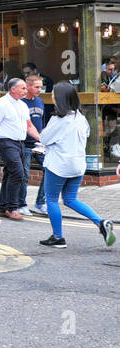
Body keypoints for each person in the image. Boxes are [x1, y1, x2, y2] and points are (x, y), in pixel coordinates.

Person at [37, 82, 116, 248]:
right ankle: (101, 222)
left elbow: (43, 139)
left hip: (58, 165)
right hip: (78, 165)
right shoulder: (80, 118)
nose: (51, 96)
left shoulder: (58, 120)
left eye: (53, 93)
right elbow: (85, 135)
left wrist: (49, 143)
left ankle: (58, 237)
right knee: (70, 199)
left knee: (51, 200)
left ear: (60, 98)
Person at [0, 77, 41, 220]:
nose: (26, 90)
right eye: (23, 88)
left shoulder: (22, 105)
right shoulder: (0, 104)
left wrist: (42, 139)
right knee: (18, 173)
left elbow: (29, 126)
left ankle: (4, 208)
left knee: (10, 174)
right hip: (5, 142)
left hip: (20, 143)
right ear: (13, 89)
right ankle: (12, 208)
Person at [20, 74, 48, 216]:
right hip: (24, 144)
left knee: (49, 170)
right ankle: (21, 204)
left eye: (41, 86)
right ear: (28, 86)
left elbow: (41, 123)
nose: (40, 89)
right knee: (24, 175)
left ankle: (40, 203)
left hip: (38, 144)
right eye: (37, 87)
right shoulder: (21, 103)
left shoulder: (40, 102)